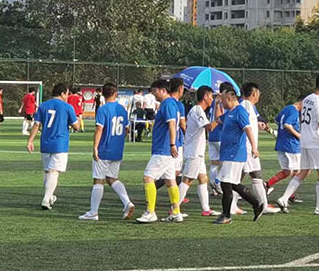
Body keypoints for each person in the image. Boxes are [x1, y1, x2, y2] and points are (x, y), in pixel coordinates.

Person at [275, 74, 319, 216]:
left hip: (305, 140)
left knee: (304, 171)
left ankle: (284, 198)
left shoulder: (307, 99)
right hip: (315, 142)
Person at [79, 83, 135, 221]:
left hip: (104, 149)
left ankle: (93, 212)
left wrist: (95, 147)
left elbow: (99, 129)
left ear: (103, 94)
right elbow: (127, 130)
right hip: (117, 150)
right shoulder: (122, 109)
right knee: (111, 178)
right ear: (116, 94)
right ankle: (127, 202)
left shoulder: (103, 109)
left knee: (98, 180)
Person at [213, 88, 264, 224]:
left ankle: (226, 215)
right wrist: (217, 104)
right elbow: (217, 120)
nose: (222, 102)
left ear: (230, 99)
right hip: (227, 153)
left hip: (234, 153)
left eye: (223, 100)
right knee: (233, 184)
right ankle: (256, 204)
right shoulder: (230, 112)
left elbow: (248, 129)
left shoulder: (240, 111)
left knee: (226, 184)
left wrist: (254, 147)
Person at [136, 79, 183, 224]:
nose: (153, 94)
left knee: (148, 177)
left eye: (155, 91)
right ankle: (176, 212)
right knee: (170, 181)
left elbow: (172, 124)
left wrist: (172, 144)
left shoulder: (168, 103)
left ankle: (150, 212)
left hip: (163, 149)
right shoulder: (171, 103)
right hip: (165, 149)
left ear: (163, 90)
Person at [27, 83, 80, 210]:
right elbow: (76, 126)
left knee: (48, 172)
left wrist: (30, 141)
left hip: (45, 143)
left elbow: (36, 125)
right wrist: (76, 121)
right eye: (67, 94)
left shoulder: (43, 106)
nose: (67, 96)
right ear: (62, 94)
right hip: (60, 144)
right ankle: (46, 199)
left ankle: (50, 197)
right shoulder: (67, 107)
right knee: (54, 172)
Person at [178, 86, 220, 217]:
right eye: (211, 96)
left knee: (203, 178)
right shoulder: (197, 110)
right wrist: (220, 119)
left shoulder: (199, 110)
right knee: (187, 180)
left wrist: (217, 109)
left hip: (198, 152)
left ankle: (206, 209)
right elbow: (209, 127)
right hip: (194, 152)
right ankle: (174, 208)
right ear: (205, 97)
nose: (212, 99)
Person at [239, 83, 274, 214]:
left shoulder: (249, 106)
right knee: (253, 175)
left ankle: (232, 206)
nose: (259, 96)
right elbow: (244, 125)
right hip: (247, 147)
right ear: (254, 94)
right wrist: (253, 147)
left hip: (248, 147)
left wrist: (258, 124)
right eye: (258, 93)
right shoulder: (246, 105)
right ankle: (263, 205)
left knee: (242, 177)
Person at [266, 96, 304, 197]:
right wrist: (299, 136)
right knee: (297, 171)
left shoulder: (286, 108)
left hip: (281, 144)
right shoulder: (294, 111)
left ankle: (267, 185)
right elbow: (287, 125)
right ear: (302, 103)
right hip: (291, 145)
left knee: (287, 171)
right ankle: (290, 195)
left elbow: (277, 120)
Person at [207, 82, 233, 196]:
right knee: (226, 162)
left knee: (214, 163)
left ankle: (213, 188)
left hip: (212, 136)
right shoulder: (223, 101)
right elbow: (220, 118)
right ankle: (217, 182)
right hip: (220, 135)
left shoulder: (214, 101)